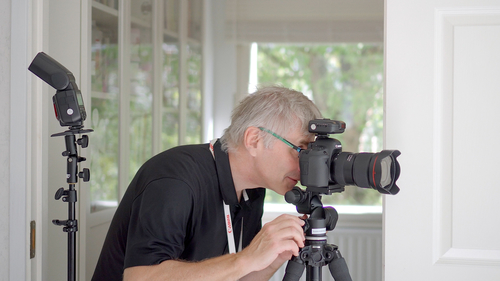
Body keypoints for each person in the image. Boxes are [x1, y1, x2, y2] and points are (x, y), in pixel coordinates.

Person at [91, 85, 323, 281]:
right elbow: (139, 278)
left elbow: (233, 275)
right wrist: (247, 258)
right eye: (300, 149)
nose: (305, 165)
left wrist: (273, 257)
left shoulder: (252, 191)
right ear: (254, 140)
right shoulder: (175, 177)